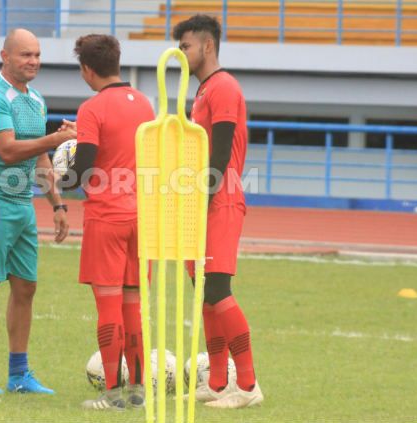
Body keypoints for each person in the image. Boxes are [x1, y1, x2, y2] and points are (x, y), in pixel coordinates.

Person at [58, 34, 155, 411]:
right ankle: (139, 391)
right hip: (141, 216)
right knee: (133, 306)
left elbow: (83, 170)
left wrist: (56, 180)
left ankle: (113, 394)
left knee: (109, 307)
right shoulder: (144, 103)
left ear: (86, 69)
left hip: (107, 216)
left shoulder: (92, 109)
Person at [0, 28, 76, 395]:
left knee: (26, 287)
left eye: (37, 55)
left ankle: (19, 375)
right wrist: (54, 138)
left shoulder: (36, 99)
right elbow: (6, 150)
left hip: (23, 207)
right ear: (5, 56)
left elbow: (40, 158)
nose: (33, 61)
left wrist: (58, 204)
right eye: (25, 55)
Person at [173, 14, 264, 408]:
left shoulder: (223, 87)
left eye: (186, 47)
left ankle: (247, 386)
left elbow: (222, 152)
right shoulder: (204, 91)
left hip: (220, 199)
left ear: (207, 47)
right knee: (204, 298)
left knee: (217, 290)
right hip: (202, 200)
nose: (181, 54)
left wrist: (202, 201)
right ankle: (217, 379)